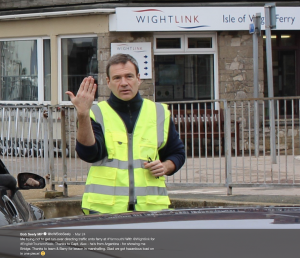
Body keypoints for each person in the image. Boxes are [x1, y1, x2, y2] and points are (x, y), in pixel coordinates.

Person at [66, 53, 185, 215]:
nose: (124, 83)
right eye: (117, 78)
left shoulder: (158, 112)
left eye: (129, 76)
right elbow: (88, 154)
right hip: (104, 210)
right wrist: (82, 115)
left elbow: (177, 153)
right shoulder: (96, 113)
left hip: (151, 209)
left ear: (138, 78)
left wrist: (166, 166)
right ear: (108, 82)